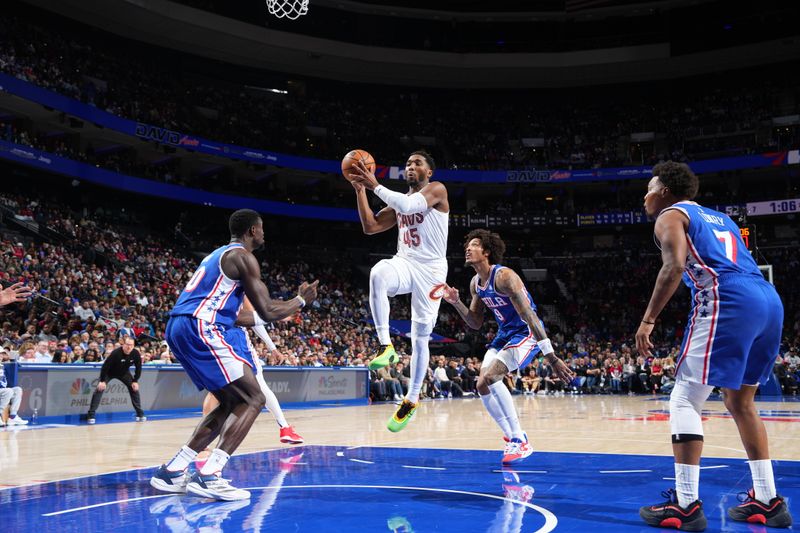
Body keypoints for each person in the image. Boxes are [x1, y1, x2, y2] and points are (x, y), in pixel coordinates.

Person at [636, 162, 793, 530]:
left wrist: (647, 320)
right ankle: (768, 500)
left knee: (684, 399)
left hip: (728, 298)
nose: (645, 196)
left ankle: (686, 504)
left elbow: (673, 267)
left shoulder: (669, 215)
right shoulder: (720, 217)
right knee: (740, 401)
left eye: (649, 188)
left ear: (664, 192)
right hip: (768, 300)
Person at [150, 209, 318, 501]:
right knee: (254, 397)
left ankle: (173, 471)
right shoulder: (243, 257)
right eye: (262, 228)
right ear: (252, 230)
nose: (264, 233)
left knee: (231, 401)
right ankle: (210, 475)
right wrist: (300, 300)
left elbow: (239, 316)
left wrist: (280, 311)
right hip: (200, 326)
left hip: (180, 326)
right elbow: (266, 309)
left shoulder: (217, 256)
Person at [442, 229, 574, 464]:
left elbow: (530, 317)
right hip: (504, 335)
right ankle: (512, 434)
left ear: (487, 252)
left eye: (474, 245)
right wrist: (455, 302)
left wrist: (551, 357)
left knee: (492, 377)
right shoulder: (476, 283)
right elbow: (474, 322)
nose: (468, 248)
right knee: (481, 383)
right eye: (467, 245)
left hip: (526, 333)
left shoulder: (505, 277)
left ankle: (520, 440)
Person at [348, 150, 449, 432]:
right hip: (406, 262)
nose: (410, 167)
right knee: (379, 272)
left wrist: (374, 185)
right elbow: (370, 227)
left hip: (431, 272)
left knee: (420, 337)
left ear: (429, 172)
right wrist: (360, 191)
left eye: (417, 163)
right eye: (407, 163)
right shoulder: (398, 201)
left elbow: (408, 206)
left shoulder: (437, 190)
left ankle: (412, 398)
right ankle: (385, 345)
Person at [196, 297, 304, 459]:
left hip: (211, 337)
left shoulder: (212, 288)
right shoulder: (239, 286)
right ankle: (285, 428)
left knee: (215, 391)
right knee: (260, 387)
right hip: (234, 340)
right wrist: (272, 346)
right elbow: (253, 319)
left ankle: (202, 440)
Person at [86, 336, 145, 424]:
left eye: (131, 345)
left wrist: (135, 381)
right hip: (109, 373)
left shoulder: (135, 353)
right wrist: (102, 381)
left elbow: (139, 368)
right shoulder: (116, 353)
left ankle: (140, 414)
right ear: (123, 345)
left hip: (124, 373)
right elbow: (105, 367)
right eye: (127, 345)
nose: (129, 347)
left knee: (134, 388)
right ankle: (91, 415)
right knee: (99, 389)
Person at [0, 362, 28, 426]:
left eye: (2, 354)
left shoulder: (2, 365)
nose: (1, 356)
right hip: (3, 389)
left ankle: (13, 417)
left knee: (18, 390)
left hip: (2, 389)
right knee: (8, 391)